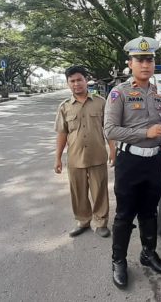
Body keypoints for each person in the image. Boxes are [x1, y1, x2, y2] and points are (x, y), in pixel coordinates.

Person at [104, 36, 161, 288]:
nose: (146, 64)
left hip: (154, 162)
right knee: (124, 214)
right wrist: (145, 133)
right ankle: (118, 260)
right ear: (130, 63)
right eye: (140, 59)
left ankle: (148, 253)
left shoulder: (160, 95)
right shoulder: (118, 93)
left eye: (150, 59)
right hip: (129, 162)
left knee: (149, 211)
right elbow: (110, 130)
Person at [54, 66, 115, 238]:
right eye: (72, 81)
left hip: (97, 156)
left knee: (100, 191)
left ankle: (101, 222)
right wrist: (57, 158)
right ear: (68, 84)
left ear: (86, 80)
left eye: (79, 79)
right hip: (75, 157)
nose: (76, 84)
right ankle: (82, 220)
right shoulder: (64, 107)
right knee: (78, 192)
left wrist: (113, 150)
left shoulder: (101, 102)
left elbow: (108, 129)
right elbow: (62, 133)